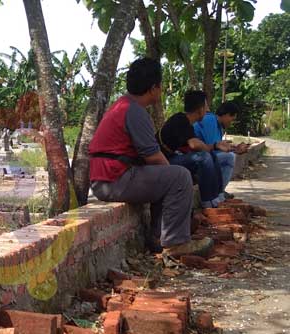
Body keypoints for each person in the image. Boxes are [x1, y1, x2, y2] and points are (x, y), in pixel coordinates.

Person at [89, 58, 212, 256]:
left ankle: (158, 236)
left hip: (107, 177)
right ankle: (176, 243)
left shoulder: (123, 105)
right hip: (114, 178)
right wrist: (181, 180)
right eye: (161, 86)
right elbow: (154, 158)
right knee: (179, 176)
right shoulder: (134, 111)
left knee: (168, 176)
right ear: (154, 88)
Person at [157, 90, 228, 208]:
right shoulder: (180, 120)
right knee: (204, 157)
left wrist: (215, 146)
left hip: (172, 158)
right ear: (200, 109)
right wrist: (212, 147)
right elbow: (194, 145)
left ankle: (218, 196)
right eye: (206, 107)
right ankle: (208, 203)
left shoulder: (187, 124)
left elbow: (198, 145)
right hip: (163, 161)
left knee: (211, 155)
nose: (207, 111)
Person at [194, 102, 239, 200]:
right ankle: (218, 193)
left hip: (203, 157)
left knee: (229, 155)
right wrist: (233, 150)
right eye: (232, 119)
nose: (231, 123)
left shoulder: (218, 126)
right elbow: (212, 150)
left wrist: (236, 149)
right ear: (226, 115)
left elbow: (217, 148)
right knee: (229, 157)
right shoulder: (210, 120)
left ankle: (219, 192)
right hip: (195, 157)